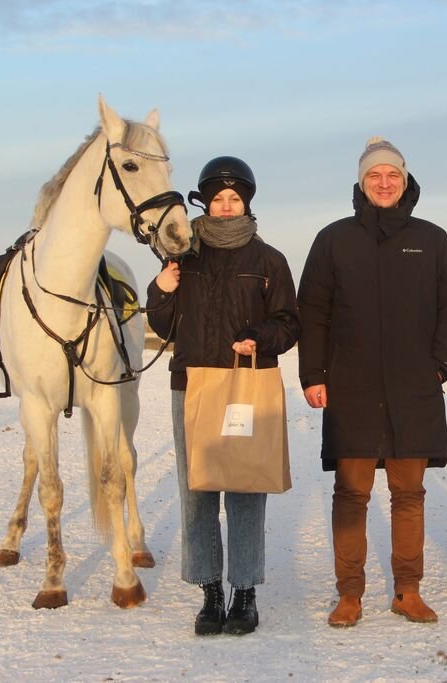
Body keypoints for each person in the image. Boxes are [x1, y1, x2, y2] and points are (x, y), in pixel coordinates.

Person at [298, 136, 447, 627]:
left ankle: (407, 591)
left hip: (412, 387)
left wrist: (438, 362)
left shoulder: (431, 239)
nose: (384, 182)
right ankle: (349, 593)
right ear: (361, 181)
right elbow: (312, 310)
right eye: (375, 175)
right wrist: (314, 373)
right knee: (351, 494)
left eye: (392, 174)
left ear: (405, 179)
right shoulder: (334, 239)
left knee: (408, 494)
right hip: (350, 388)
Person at [146, 156, 300, 636]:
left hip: (245, 390)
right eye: (218, 199)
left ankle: (245, 593)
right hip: (191, 386)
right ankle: (210, 592)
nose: (227, 207)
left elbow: (289, 323)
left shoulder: (269, 260)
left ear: (247, 203)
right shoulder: (183, 257)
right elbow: (163, 325)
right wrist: (161, 289)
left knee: (246, 489)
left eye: (235, 199)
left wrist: (260, 336)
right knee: (197, 491)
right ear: (205, 203)